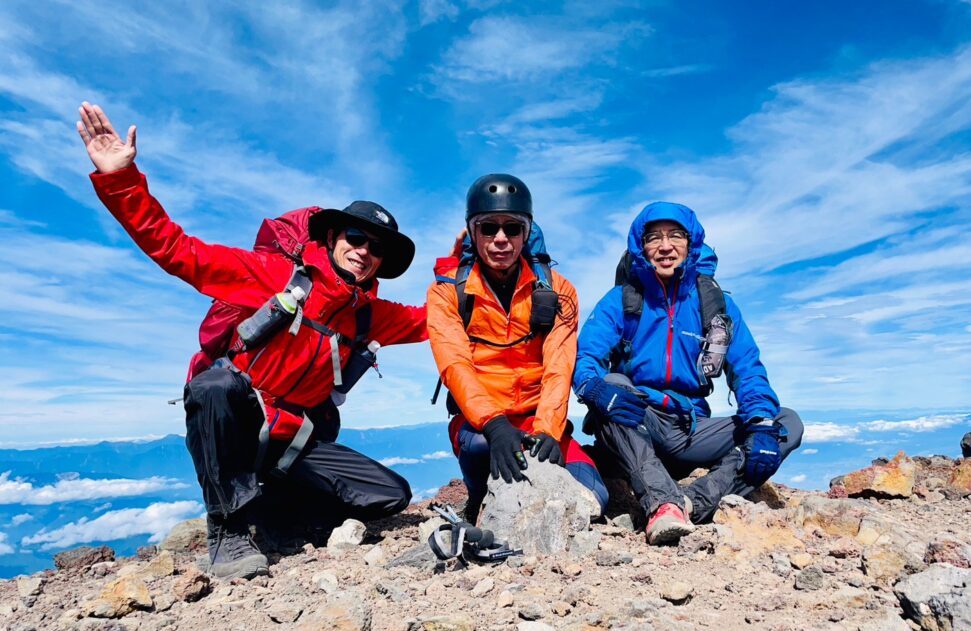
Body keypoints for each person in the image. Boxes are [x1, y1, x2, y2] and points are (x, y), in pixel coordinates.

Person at [77, 102, 428, 579]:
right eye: (355, 237)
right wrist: (122, 180)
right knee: (213, 387)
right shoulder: (275, 276)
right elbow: (179, 251)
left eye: (377, 248)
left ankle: (275, 516)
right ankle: (230, 526)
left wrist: (484, 269)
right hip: (239, 425)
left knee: (390, 495)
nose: (364, 252)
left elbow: (440, 318)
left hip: (291, 442)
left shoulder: (373, 316)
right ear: (331, 238)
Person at [574, 202, 803, 545]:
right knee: (613, 387)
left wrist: (760, 423)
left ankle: (692, 502)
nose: (665, 246)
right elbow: (585, 357)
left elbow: (748, 369)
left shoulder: (715, 304)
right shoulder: (622, 300)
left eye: (675, 235)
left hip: (690, 427)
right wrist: (593, 389)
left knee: (784, 422)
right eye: (653, 238)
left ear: (691, 242)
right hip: (638, 422)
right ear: (641, 246)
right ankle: (662, 504)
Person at [427, 174, 608, 521]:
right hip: (480, 424)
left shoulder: (558, 291)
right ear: (472, 231)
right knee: (483, 452)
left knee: (593, 499)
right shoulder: (447, 292)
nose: (500, 239)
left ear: (526, 233)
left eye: (512, 228)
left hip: (539, 420)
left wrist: (548, 432)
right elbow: (454, 365)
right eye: (488, 227)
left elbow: (559, 365)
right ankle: (479, 497)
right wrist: (494, 425)